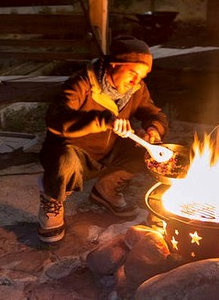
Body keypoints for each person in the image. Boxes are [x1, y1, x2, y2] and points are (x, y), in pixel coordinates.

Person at [37, 35, 168, 243]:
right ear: (114, 65)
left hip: (108, 153)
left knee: (145, 151)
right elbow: (56, 119)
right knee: (63, 158)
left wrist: (153, 129)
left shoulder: (137, 88)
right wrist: (103, 119)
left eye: (142, 76)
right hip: (75, 153)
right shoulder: (81, 83)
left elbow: (155, 114)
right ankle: (52, 200)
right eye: (132, 73)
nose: (136, 81)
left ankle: (106, 189)